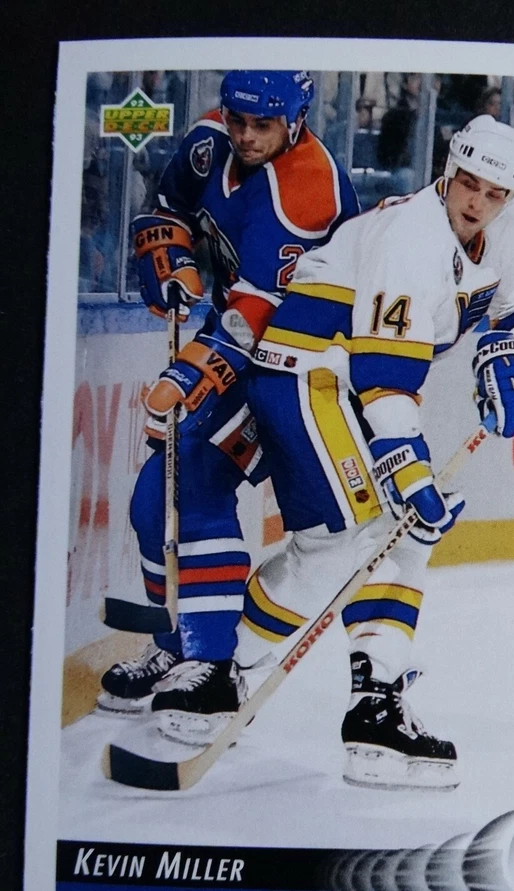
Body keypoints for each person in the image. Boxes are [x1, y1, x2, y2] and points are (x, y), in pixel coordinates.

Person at [158, 116, 514, 790]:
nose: (477, 202)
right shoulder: (411, 235)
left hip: (359, 384)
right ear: (449, 169)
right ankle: (224, 673)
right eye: (468, 183)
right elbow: (385, 372)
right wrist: (408, 467)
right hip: (306, 371)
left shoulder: (511, 229)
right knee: (342, 542)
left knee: (404, 538)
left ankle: (376, 705)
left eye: (495, 194)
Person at [97, 71, 360, 725]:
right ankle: (176, 645)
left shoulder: (306, 191)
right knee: (153, 500)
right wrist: (169, 249)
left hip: (301, 367)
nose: (245, 135)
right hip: (239, 344)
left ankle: (211, 665)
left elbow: (254, 318)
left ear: (296, 121)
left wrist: (191, 375)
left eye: (261, 125)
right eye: (237, 119)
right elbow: (168, 206)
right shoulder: (211, 139)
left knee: (193, 483)